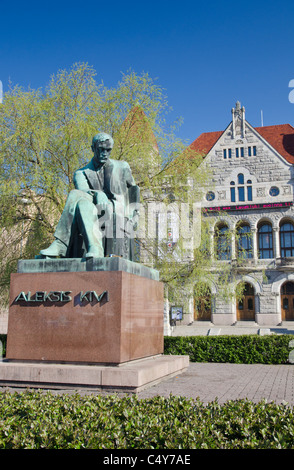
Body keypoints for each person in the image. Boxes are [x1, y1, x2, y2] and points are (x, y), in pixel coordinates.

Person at [39, 132, 139, 259]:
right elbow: (83, 192)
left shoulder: (122, 166)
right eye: (101, 149)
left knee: (75, 195)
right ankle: (94, 247)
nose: (105, 153)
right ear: (93, 149)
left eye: (108, 150)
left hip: (117, 209)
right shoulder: (81, 173)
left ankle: (61, 243)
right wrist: (99, 194)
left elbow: (134, 190)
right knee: (78, 199)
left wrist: (135, 214)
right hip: (92, 209)